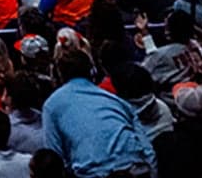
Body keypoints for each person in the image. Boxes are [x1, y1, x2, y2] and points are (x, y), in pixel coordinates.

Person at [39, 48, 155, 178]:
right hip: (135, 169)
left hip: (95, 173)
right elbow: (148, 150)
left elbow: (53, 159)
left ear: (58, 75)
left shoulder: (52, 105)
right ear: (92, 71)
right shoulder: (117, 101)